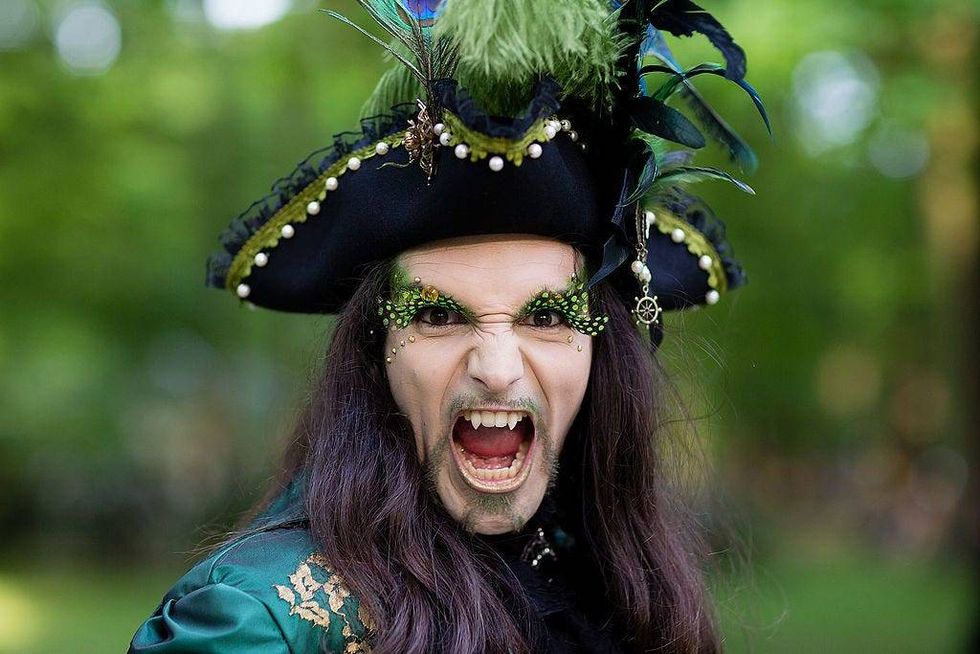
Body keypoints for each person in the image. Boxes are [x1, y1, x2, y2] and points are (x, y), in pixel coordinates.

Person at [128, 1, 769, 652]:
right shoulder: (256, 624)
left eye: (547, 316)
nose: (495, 369)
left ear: (601, 350)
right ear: (377, 347)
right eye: (437, 315)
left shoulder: (607, 572)